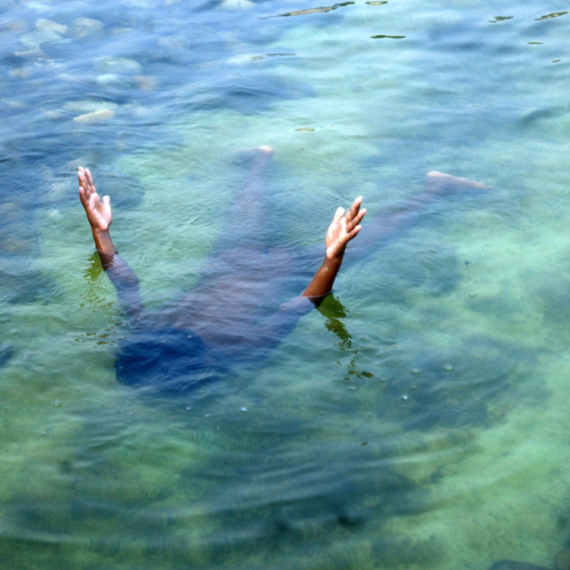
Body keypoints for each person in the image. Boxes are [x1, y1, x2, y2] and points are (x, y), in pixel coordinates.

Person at [79, 146, 486, 395]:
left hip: (276, 271)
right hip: (229, 263)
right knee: (245, 210)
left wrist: (333, 258)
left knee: (367, 240)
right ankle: (261, 158)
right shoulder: (147, 326)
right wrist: (101, 233)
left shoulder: (237, 352)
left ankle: (435, 190)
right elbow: (124, 280)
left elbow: (303, 302)